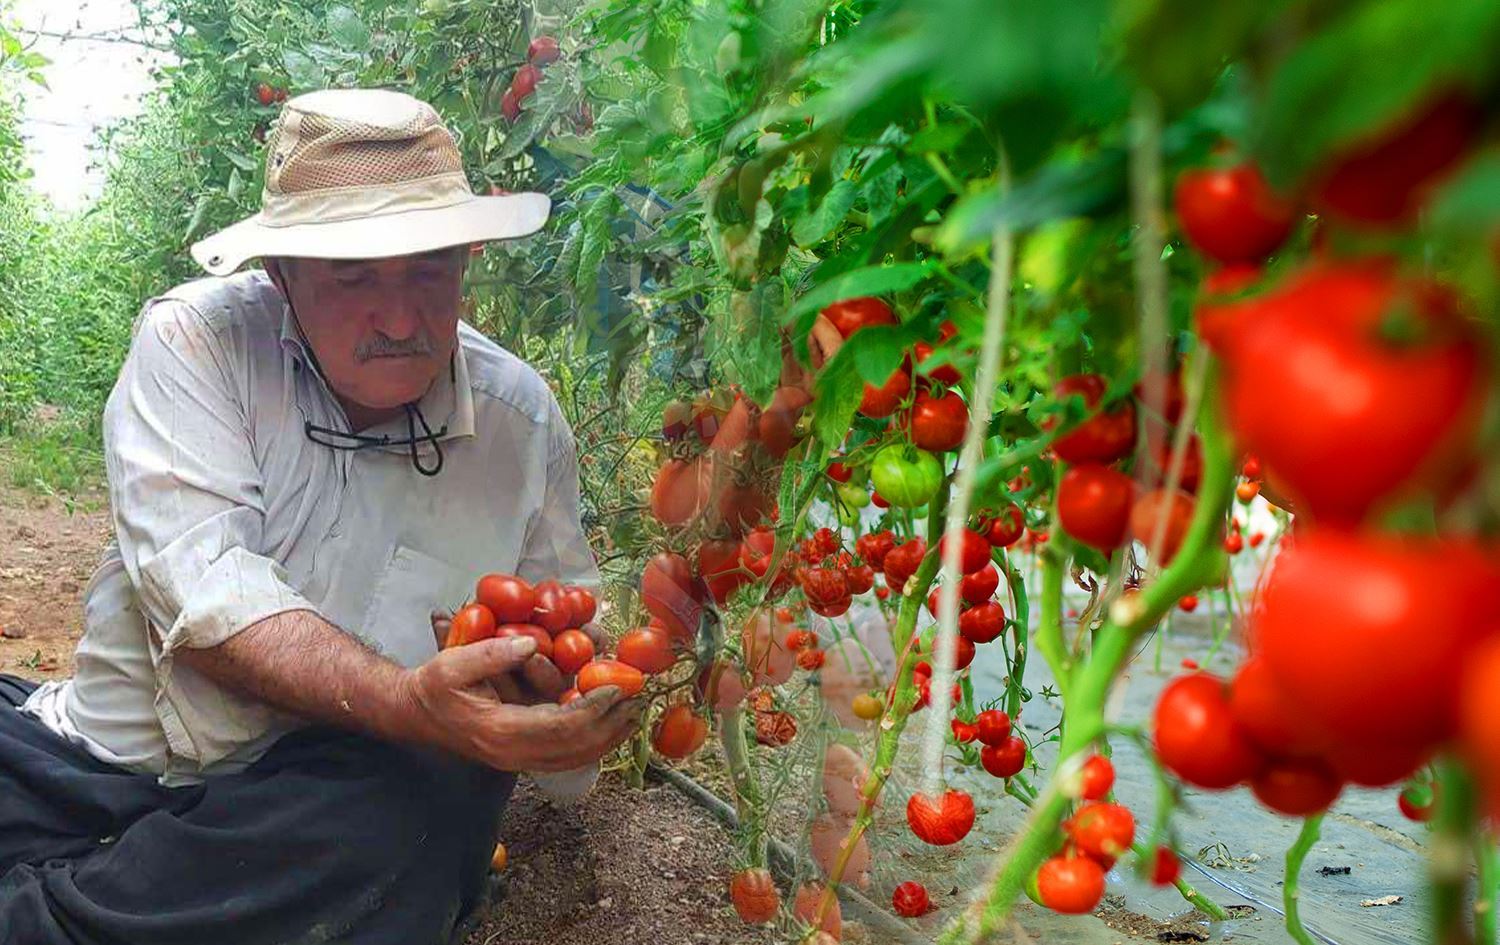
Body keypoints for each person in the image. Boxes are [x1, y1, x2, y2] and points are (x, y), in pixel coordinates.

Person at [0, 88, 642, 945]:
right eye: (353, 277)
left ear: (467, 260)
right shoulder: (196, 343)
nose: (402, 317)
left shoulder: (519, 422)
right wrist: (409, 697)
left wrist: (563, 698)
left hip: (318, 808)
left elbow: (572, 658)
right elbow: (211, 602)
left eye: (429, 268)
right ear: (281, 276)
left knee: (420, 806)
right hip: (99, 766)